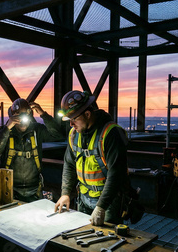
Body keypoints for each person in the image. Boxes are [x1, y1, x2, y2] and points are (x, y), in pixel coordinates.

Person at [54, 90, 130, 225]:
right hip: (83, 198)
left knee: (106, 241)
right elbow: (69, 165)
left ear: (88, 114)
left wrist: (101, 207)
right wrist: (65, 193)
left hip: (108, 202)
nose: (71, 124)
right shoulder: (74, 134)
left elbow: (116, 173)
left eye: (74, 119)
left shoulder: (111, 133)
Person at [0, 98, 63, 202]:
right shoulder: (4, 131)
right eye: (19, 118)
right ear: (12, 117)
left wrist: (43, 114)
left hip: (34, 189)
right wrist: (7, 128)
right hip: (9, 188)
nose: (23, 122)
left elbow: (58, 135)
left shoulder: (36, 130)